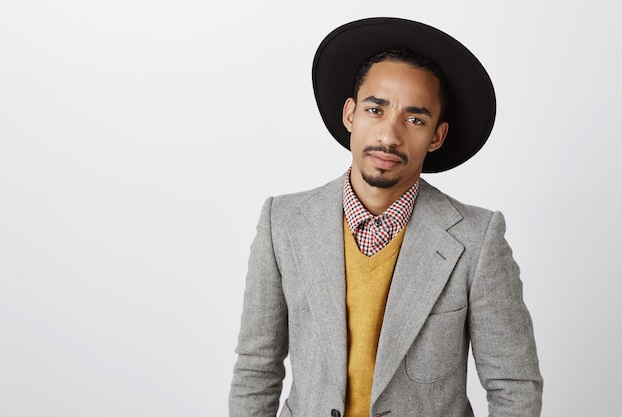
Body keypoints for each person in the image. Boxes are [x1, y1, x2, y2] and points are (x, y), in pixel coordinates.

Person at [229, 17, 543, 417]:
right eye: (375, 109)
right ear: (350, 115)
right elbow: (257, 367)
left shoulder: (477, 239)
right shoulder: (283, 222)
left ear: (437, 136)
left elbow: (514, 384)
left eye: (415, 119)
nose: (390, 135)